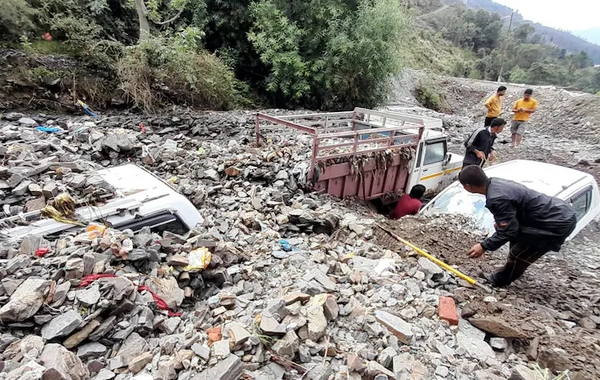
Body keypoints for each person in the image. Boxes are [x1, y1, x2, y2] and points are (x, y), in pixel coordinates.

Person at [458, 166, 577, 288]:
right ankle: (516, 267)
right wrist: (501, 223)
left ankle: (500, 280)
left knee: (519, 252)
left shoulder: (497, 198)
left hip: (556, 222)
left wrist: (484, 246)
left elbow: (509, 231)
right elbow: (511, 219)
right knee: (515, 238)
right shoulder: (494, 183)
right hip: (555, 211)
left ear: (468, 186)